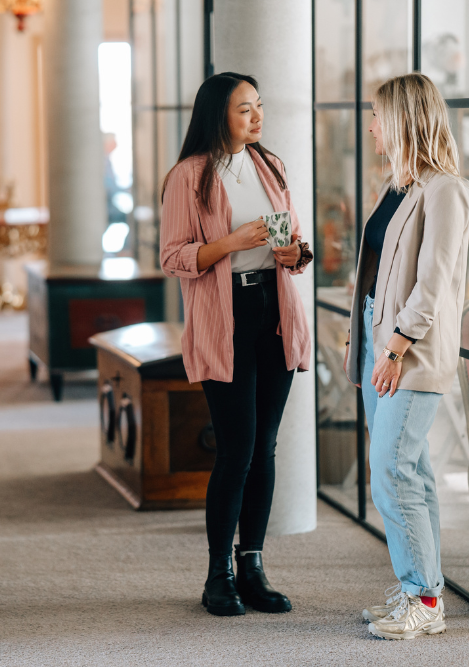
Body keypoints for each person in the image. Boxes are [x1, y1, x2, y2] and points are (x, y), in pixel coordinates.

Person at [160, 72, 312, 617]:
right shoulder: (188, 176)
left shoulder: (270, 166)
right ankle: (217, 574)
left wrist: (296, 254)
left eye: (259, 106)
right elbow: (174, 256)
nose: (257, 117)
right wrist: (230, 243)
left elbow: (292, 238)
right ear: (216, 115)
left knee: (265, 447)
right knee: (236, 450)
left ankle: (252, 566)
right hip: (225, 318)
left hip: (275, 309)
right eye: (244, 109)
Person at [344, 73, 469, 640]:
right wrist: (365, 335)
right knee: (409, 471)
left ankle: (425, 598)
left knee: (392, 472)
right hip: (383, 342)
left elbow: (434, 282)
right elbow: (375, 273)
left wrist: (394, 346)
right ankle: (422, 587)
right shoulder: (398, 186)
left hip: (410, 351)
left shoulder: (446, 189)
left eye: (377, 114)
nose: (370, 125)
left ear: (400, 120)